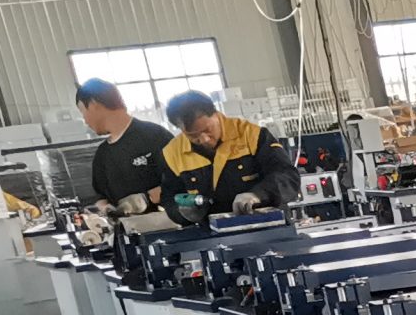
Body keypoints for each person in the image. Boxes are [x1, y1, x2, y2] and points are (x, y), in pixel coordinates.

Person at [156, 91, 297, 220]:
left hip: (267, 225)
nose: (204, 139)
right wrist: (182, 213)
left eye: (207, 130)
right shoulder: (172, 153)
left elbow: (287, 176)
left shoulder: (251, 135)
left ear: (216, 114)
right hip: (213, 233)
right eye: (193, 135)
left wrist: (258, 194)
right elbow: (170, 198)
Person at [73, 78, 170, 213]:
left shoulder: (155, 136)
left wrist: (146, 199)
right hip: (125, 225)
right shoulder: (103, 154)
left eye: (83, 112)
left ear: (94, 104)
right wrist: (105, 208)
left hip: (166, 222)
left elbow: (182, 180)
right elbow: (101, 197)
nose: (85, 121)